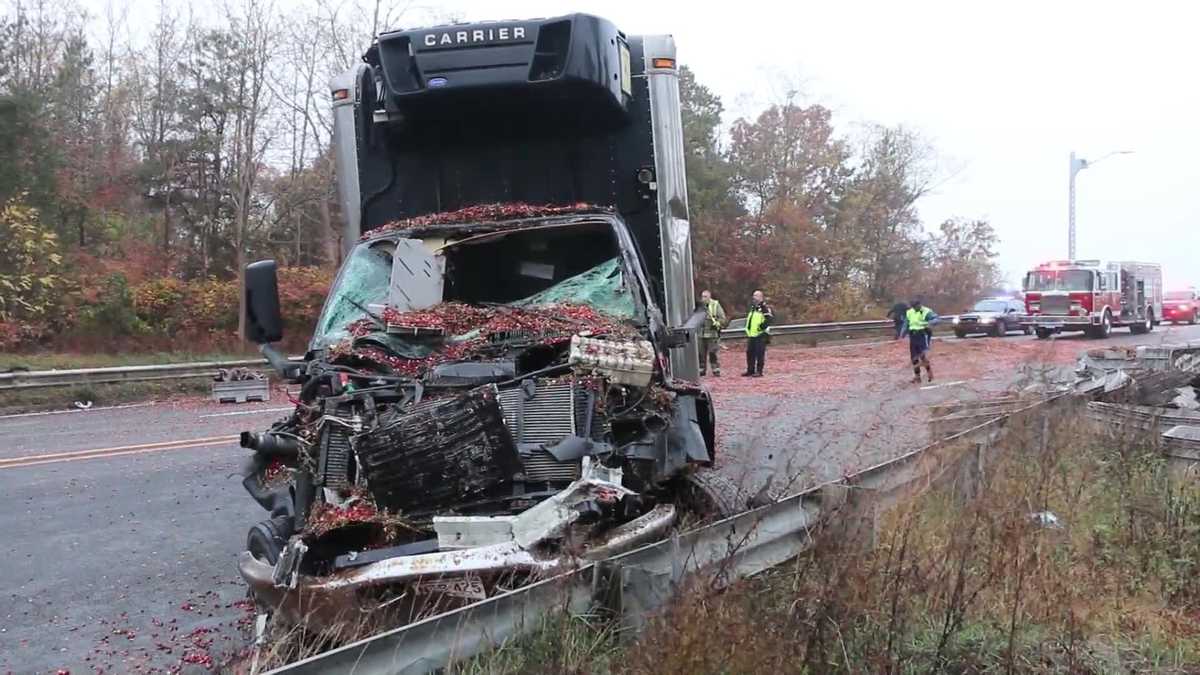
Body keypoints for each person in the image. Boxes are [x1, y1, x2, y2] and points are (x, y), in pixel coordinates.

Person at [905, 298, 940, 383]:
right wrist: (902, 334)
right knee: (913, 358)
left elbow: (936, 319)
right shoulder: (909, 312)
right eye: (913, 307)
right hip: (913, 335)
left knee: (922, 356)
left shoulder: (926, 311)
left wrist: (930, 323)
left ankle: (930, 374)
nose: (915, 308)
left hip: (922, 334)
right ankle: (917, 377)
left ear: (920, 304)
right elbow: (906, 323)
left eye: (917, 306)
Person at [742, 290, 774, 377]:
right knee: (750, 353)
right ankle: (750, 370)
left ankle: (759, 371)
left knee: (759, 353)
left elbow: (769, 320)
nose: (754, 298)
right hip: (752, 334)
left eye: (756, 296)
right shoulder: (753, 307)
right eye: (753, 296)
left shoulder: (764, 308)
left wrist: (761, 327)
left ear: (761, 297)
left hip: (760, 334)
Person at [698, 290, 727, 377]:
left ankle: (715, 369)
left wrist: (717, 324)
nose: (703, 299)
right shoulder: (699, 306)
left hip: (712, 333)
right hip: (701, 334)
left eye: (705, 297)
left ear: (709, 297)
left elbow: (722, 318)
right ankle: (702, 370)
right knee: (701, 353)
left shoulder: (715, 305)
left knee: (712, 352)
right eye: (702, 296)